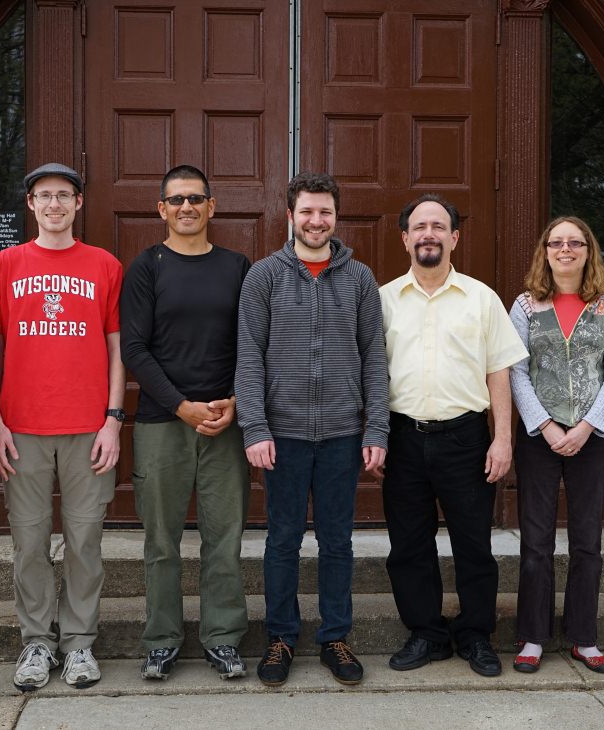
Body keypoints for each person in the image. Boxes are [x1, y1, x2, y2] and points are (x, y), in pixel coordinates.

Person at [235, 171, 389, 687]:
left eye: (325, 212)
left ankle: (335, 637)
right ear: (291, 216)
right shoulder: (265, 276)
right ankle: (280, 637)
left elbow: (374, 358)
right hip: (283, 435)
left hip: (344, 434)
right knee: (281, 539)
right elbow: (249, 358)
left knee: (338, 541)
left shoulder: (359, 278)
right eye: (307, 212)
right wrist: (254, 428)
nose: (316, 221)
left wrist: (377, 430)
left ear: (335, 218)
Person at [0, 162, 126, 691]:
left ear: (79, 204)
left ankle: (80, 645)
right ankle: (37, 644)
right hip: (21, 428)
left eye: (64, 195)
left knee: (85, 539)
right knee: (29, 541)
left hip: (89, 427)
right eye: (44, 196)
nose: (54, 205)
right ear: (31, 205)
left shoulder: (104, 265)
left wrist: (112, 420)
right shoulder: (3, 266)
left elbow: (115, 349)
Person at [379, 194, 527, 678]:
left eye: (438, 226)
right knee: (408, 545)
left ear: (454, 237)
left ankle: (476, 635)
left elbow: (499, 372)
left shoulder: (481, 299)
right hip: (401, 437)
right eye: (419, 226)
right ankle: (425, 632)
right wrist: (374, 435)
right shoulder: (381, 300)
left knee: (473, 544)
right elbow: (369, 373)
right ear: (405, 238)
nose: (428, 234)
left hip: (465, 438)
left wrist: (501, 439)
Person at [120, 165, 251, 681]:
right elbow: (134, 348)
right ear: (162, 210)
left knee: (225, 537)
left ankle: (222, 638)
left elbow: (252, 342)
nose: (186, 208)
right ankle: (162, 641)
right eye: (176, 201)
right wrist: (181, 405)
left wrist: (237, 401)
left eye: (196, 199)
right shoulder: (147, 268)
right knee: (161, 541)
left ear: (212, 207)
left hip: (226, 421)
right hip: (162, 422)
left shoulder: (238, 267)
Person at [508, 216, 604, 674]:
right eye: (556, 243)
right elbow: (515, 369)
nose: (564, 250)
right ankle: (533, 637)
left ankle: (584, 638)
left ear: (587, 250)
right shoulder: (524, 306)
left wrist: (587, 426)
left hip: (591, 438)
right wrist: (544, 425)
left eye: (574, 243)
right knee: (536, 542)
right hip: (540, 437)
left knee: (587, 542)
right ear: (545, 251)